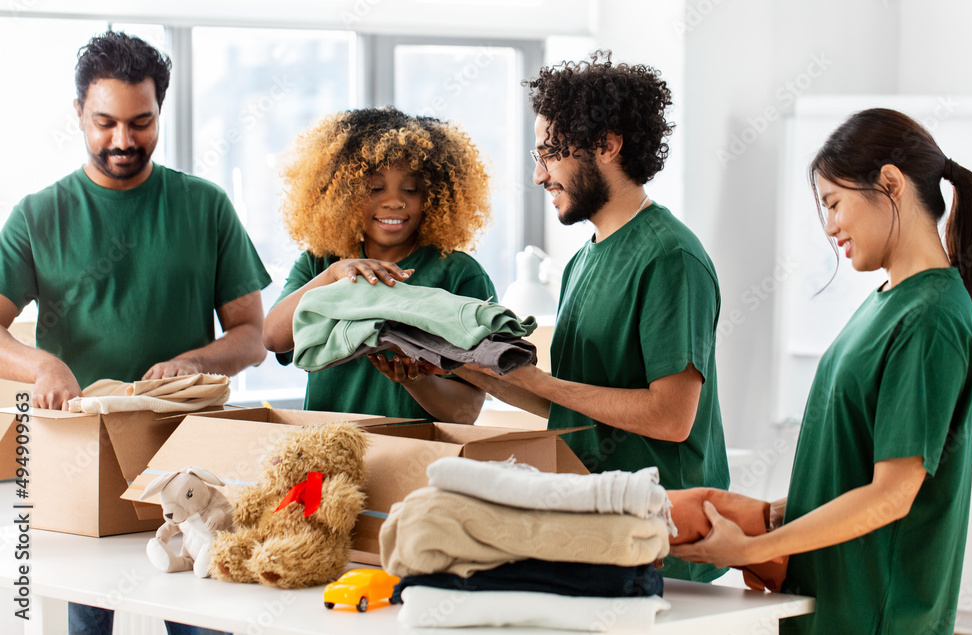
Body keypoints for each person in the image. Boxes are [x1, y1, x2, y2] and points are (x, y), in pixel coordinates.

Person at [671, 108, 972, 634]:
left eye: (834, 203)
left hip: (874, 616)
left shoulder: (930, 317)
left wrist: (755, 546)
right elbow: (854, 464)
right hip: (834, 604)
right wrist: (780, 515)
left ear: (889, 183)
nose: (830, 227)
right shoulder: (888, 303)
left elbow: (891, 494)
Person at [0, 31, 271, 635]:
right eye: (105, 122)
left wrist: (194, 360)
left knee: (200, 617)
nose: (123, 140)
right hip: (83, 460)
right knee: (90, 619)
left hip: (189, 460)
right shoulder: (39, 215)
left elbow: (253, 335)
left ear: (160, 112)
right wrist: (43, 367)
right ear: (78, 114)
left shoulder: (205, 207)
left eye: (141, 122)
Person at [456, 51, 730, 582]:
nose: (538, 175)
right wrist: (454, 365)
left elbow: (670, 418)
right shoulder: (584, 259)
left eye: (550, 154)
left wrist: (544, 382)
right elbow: (568, 403)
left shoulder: (669, 257)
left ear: (607, 145)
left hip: (664, 549)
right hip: (594, 533)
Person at [263, 107, 495, 423]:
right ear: (343, 193)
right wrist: (333, 274)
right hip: (327, 453)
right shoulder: (321, 261)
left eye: (411, 189)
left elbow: (466, 413)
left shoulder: (459, 275)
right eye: (375, 188)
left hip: (416, 458)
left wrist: (418, 381)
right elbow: (273, 339)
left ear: (434, 195)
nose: (394, 201)